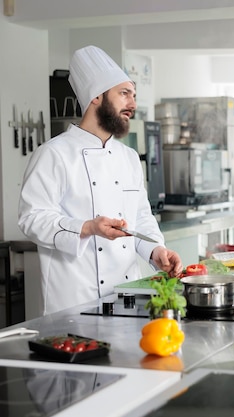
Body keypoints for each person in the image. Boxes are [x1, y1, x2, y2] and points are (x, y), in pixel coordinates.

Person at [18, 45, 183, 316]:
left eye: (133, 95)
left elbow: (140, 219)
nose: (132, 104)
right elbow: (31, 218)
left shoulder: (128, 157)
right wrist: (86, 227)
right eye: (124, 94)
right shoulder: (54, 154)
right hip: (74, 299)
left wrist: (157, 251)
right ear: (96, 96)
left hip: (126, 296)